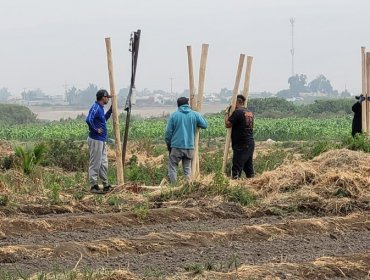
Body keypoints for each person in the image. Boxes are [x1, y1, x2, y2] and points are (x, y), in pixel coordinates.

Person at [165, 97, 208, 183]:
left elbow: (168, 133)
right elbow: (205, 125)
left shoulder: (174, 115)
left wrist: (169, 145)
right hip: (189, 147)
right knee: (187, 169)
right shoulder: (194, 114)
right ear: (188, 104)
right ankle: (188, 186)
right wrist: (197, 114)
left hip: (176, 146)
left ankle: (173, 187)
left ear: (178, 105)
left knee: (173, 167)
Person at [86, 89, 113, 193]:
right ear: (103, 97)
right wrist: (95, 129)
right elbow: (89, 119)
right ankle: (93, 186)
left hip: (102, 140)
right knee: (95, 163)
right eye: (107, 98)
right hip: (96, 139)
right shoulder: (96, 107)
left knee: (103, 163)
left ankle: (105, 184)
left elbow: (103, 120)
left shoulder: (101, 108)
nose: (108, 99)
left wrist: (110, 111)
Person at [225, 94, 255, 179]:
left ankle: (235, 184)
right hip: (250, 142)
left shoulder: (237, 112)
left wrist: (227, 113)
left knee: (236, 168)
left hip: (241, 143)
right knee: (248, 166)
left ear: (236, 102)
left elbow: (227, 124)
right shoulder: (250, 112)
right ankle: (252, 183)